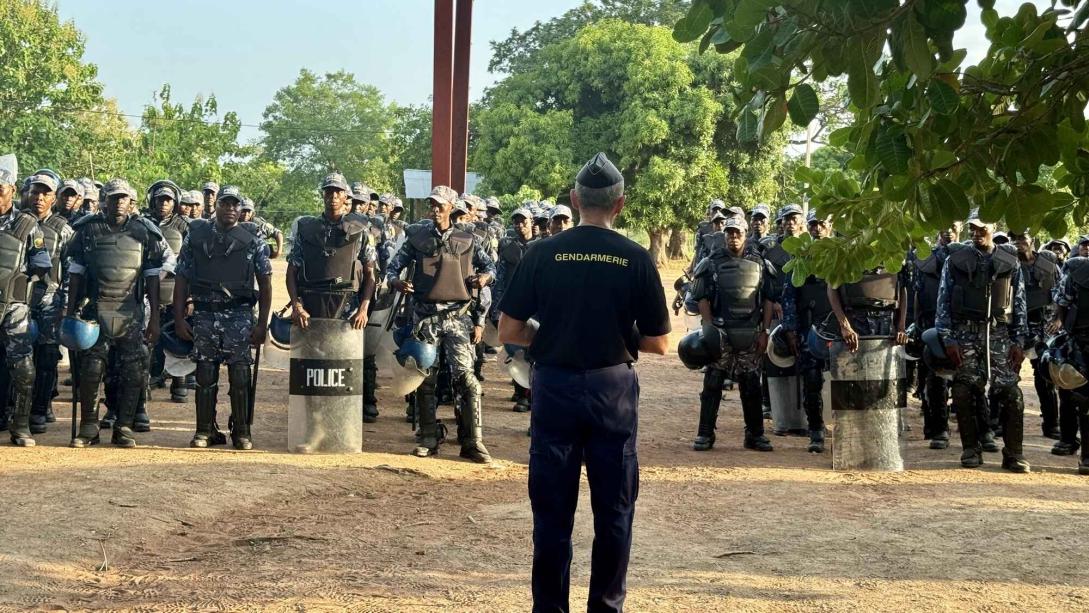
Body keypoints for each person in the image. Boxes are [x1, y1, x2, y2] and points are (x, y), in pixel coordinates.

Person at [498, 153, 670, 612]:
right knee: (614, 513)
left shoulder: (542, 252)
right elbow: (659, 344)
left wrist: (547, 331)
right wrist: (617, 331)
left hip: (554, 389)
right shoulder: (635, 257)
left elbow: (509, 332)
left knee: (551, 514)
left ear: (574, 200)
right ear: (620, 204)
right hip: (612, 391)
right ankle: (606, 607)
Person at [387, 185, 495, 462]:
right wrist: (397, 281)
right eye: (431, 205)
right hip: (425, 318)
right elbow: (391, 268)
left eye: (440, 205)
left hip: (458, 318)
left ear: (451, 207)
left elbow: (490, 269)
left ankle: (472, 441)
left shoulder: (468, 237)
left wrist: (483, 280)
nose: (434, 209)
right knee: (425, 378)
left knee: (467, 379)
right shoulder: (416, 237)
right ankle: (428, 436)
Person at [67, 179, 172, 448]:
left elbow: (152, 279)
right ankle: (89, 426)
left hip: (131, 312)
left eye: (123, 198)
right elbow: (76, 274)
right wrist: (69, 313)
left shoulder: (144, 232)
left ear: (131, 201)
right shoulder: (87, 230)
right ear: (104, 200)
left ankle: (123, 427)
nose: (119, 202)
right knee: (91, 368)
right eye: (113, 198)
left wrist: (155, 320)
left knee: (133, 370)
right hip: (95, 309)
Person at [173, 185, 272, 450]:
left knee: (240, 376)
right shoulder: (196, 236)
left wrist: (262, 324)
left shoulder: (253, 240)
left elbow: (265, 284)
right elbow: (181, 278)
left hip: (239, 316)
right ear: (216, 205)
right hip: (205, 314)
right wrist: (180, 317)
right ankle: (205, 430)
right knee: (205, 376)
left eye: (235, 205)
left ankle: (241, 431)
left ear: (242, 210)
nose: (230, 209)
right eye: (225, 203)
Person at [286, 173, 376, 451]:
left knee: (344, 373)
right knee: (314, 371)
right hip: (312, 307)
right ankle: (314, 432)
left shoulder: (362, 230)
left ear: (347, 198)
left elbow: (371, 274)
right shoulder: (305, 228)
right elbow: (292, 271)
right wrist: (297, 304)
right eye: (328, 192)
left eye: (338, 192)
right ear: (323, 196)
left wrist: (363, 307)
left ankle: (345, 432)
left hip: (347, 307)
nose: (333, 196)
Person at [936, 213, 1029, 472]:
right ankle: (971, 449)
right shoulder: (955, 259)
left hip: (999, 335)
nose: (976, 234)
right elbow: (943, 303)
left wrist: (1018, 341)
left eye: (981, 229)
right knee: (965, 391)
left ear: (993, 228)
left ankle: (1014, 454)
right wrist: (948, 339)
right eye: (972, 229)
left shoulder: (1010, 261)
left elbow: (1019, 302)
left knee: (1012, 394)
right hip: (965, 334)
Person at [688, 215, 775, 452]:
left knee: (751, 385)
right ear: (724, 235)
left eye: (737, 233)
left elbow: (768, 299)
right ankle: (705, 434)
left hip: (751, 331)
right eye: (729, 233)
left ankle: (755, 435)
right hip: (721, 331)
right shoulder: (711, 262)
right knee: (713, 382)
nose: (733, 237)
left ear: (745, 234)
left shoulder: (759, 263)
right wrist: (708, 329)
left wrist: (765, 331)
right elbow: (701, 297)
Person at [1, 174, 53, 445]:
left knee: (23, 367)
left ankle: (21, 425)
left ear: (11, 191)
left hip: (14, 306)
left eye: (0, 191)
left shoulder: (28, 224)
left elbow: (42, 263)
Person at [780, 210, 834, 452]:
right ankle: (816, 431)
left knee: (844, 382)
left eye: (822, 224)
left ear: (829, 228)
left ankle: (845, 430)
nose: (817, 229)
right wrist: (791, 329)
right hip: (808, 329)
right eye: (813, 225)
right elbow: (789, 297)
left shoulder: (840, 257)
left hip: (837, 329)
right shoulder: (800, 259)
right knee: (811, 381)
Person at [26, 173, 74, 435]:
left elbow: (70, 269)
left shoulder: (63, 229)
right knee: (16, 358)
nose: (39, 198)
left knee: (46, 358)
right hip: (18, 300)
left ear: (53, 198)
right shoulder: (16, 224)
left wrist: (66, 305)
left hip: (49, 302)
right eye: (35, 192)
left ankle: (40, 408)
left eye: (45, 193)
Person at [914, 224, 961, 448]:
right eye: (944, 225)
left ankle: (977, 432)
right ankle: (938, 430)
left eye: (953, 225)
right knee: (935, 382)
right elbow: (913, 293)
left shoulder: (967, 257)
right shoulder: (924, 259)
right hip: (930, 330)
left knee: (967, 382)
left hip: (962, 331)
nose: (948, 230)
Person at [145, 181, 191, 404]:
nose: (163, 203)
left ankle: (179, 383)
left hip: (176, 291)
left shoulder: (185, 226)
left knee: (177, 338)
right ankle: (147, 381)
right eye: (160, 199)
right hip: (148, 292)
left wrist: (189, 297)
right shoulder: (143, 224)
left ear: (175, 203)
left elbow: (192, 264)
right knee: (148, 340)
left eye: (168, 200)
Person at [1011, 230, 1060, 439]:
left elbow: (1062, 293)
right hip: (1017, 328)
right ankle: (997, 422)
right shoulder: (1008, 264)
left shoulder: (1049, 265)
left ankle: (1051, 425)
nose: (1018, 242)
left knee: (1045, 378)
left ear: (1032, 240)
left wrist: (1058, 320)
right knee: (1007, 377)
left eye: (1022, 238)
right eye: (1014, 238)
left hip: (1044, 328)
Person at [1047, 253, 1089, 474]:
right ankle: (1080, 451)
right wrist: (1060, 322)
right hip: (1080, 341)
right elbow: (1061, 301)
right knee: (1078, 395)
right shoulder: (1077, 272)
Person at [493, 206, 535, 413]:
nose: (520, 225)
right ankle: (521, 394)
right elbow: (499, 279)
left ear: (532, 222)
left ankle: (533, 397)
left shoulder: (542, 247)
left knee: (534, 353)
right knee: (517, 351)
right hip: (515, 305)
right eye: (516, 221)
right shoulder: (508, 247)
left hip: (536, 307)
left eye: (524, 221)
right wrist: (497, 308)